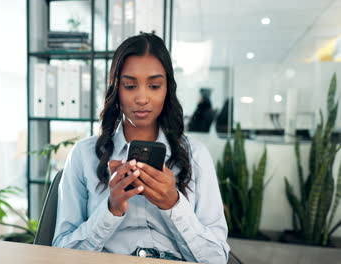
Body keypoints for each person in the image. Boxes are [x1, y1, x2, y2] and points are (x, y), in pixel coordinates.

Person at [52, 33, 230, 263]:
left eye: (154, 85)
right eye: (130, 85)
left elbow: (216, 258)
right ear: (116, 89)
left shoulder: (196, 155)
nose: (142, 98)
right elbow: (61, 253)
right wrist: (111, 209)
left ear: (167, 89)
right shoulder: (83, 155)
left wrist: (173, 204)